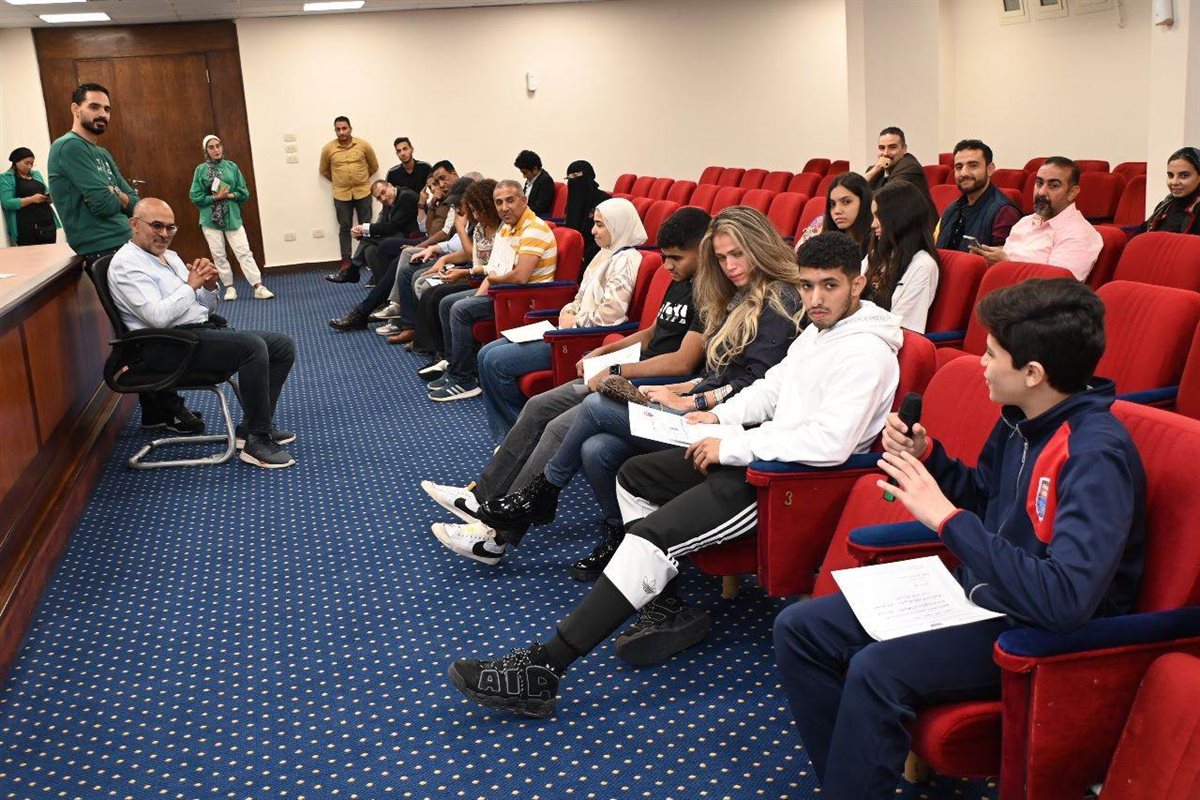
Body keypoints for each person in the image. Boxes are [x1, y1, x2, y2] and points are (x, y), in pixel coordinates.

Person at [448, 231, 902, 716]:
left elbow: (829, 444)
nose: (815, 299)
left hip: (788, 485)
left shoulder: (865, 353)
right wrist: (718, 416)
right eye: (807, 286)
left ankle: (546, 667)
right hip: (760, 458)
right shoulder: (818, 333)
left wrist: (734, 445)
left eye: (830, 286)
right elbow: (770, 389)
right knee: (634, 476)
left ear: (857, 285)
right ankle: (664, 606)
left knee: (651, 537)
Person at [773, 277, 1146, 800]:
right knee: (799, 628)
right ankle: (848, 784)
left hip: (1033, 630)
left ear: (1033, 374)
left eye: (992, 354)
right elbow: (986, 497)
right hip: (979, 593)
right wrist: (929, 458)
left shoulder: (1095, 455)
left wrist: (947, 521)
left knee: (876, 670)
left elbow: (1064, 600)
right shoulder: (1022, 418)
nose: (981, 364)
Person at [465, 206, 805, 578]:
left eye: (737, 254)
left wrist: (691, 400)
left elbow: (754, 385)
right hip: (701, 407)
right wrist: (676, 390)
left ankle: (544, 490)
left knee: (595, 406)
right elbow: (714, 373)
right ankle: (621, 537)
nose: (730, 266)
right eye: (722, 258)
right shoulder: (738, 294)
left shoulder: (780, 299)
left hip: (729, 425)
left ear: (759, 245)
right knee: (597, 449)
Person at [421, 208, 711, 568]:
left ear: (703, 248)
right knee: (538, 406)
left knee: (559, 428)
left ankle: (494, 537)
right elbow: (654, 333)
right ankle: (483, 496)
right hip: (630, 371)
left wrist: (616, 368)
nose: (667, 265)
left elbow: (683, 362)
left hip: (652, 384)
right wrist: (605, 352)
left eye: (676, 258)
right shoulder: (680, 280)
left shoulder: (707, 291)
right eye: (665, 257)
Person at [49, 83, 201, 436]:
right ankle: (168, 405)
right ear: (75, 109)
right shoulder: (68, 148)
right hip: (101, 249)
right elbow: (105, 204)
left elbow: (135, 201)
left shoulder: (99, 153)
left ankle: (157, 410)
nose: (102, 114)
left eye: (107, 109)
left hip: (123, 243)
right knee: (142, 329)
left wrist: (119, 195)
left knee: (152, 319)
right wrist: (117, 196)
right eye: (94, 107)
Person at [107, 199, 298, 469]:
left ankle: (251, 427)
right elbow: (158, 317)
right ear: (134, 225)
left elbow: (203, 308)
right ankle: (258, 441)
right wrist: (191, 286)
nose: (164, 234)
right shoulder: (127, 265)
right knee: (252, 347)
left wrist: (208, 287)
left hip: (194, 334)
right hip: (165, 346)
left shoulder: (169, 256)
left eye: (170, 227)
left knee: (281, 345)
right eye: (156, 226)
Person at [477, 197, 646, 440]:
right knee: (485, 353)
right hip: (568, 328)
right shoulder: (605, 254)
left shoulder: (626, 259)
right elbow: (580, 297)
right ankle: (511, 433)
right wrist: (568, 310)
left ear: (618, 226)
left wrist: (574, 322)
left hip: (582, 340)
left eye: (600, 225)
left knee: (495, 361)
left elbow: (612, 315)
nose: (593, 231)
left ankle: (516, 437)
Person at [427, 179, 558, 402]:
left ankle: (464, 380)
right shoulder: (506, 228)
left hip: (525, 298)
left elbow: (520, 276)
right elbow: (494, 268)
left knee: (460, 308)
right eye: (499, 202)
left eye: (510, 201)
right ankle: (456, 367)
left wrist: (488, 283)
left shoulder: (534, 229)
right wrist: (471, 276)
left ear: (524, 200)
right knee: (448, 302)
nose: (504, 207)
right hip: (503, 293)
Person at [410, 179, 503, 359]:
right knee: (424, 281)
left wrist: (460, 228)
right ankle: (437, 349)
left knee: (438, 296)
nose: (475, 215)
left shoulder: (502, 230)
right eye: (473, 210)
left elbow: (481, 263)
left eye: (477, 210)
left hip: (484, 279)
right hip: (475, 274)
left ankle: (446, 355)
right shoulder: (480, 227)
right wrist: (446, 260)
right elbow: (474, 257)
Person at [972, 157, 1103, 281]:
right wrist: (989, 257)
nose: (1041, 192)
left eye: (1053, 186)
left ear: (1072, 193)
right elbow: (1012, 255)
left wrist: (1005, 264)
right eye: (1039, 183)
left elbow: (1056, 287)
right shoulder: (1024, 222)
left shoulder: (1079, 233)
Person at [326, 179, 423, 329]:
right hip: (399, 237)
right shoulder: (388, 201)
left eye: (383, 193)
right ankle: (382, 298)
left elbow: (391, 227)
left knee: (380, 243)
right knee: (370, 250)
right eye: (378, 198)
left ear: (390, 186)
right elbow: (383, 226)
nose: (382, 198)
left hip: (412, 238)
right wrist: (363, 232)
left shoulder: (407, 197)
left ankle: (353, 272)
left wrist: (365, 230)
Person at [188, 135, 273, 301]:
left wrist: (229, 195)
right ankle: (229, 288)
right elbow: (195, 196)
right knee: (219, 255)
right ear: (206, 150)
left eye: (218, 145)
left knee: (244, 251)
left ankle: (258, 286)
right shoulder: (201, 170)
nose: (216, 150)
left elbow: (244, 192)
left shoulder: (232, 167)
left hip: (232, 217)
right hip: (210, 220)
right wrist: (215, 198)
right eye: (211, 147)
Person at [865, 181, 940, 333]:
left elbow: (902, 329)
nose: (873, 224)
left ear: (901, 219)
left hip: (880, 341)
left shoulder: (922, 265)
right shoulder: (878, 253)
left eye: (879, 216)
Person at [935, 138, 1021, 251]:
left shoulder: (1004, 212)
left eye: (973, 165)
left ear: (990, 169)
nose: (964, 173)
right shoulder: (951, 210)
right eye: (959, 167)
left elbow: (1003, 260)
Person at [319, 116, 379, 277]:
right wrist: (339, 181)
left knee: (366, 227)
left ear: (350, 128)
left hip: (363, 192)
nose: (341, 132)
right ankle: (346, 261)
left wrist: (362, 179)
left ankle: (366, 259)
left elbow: (374, 166)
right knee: (345, 228)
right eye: (338, 129)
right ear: (335, 130)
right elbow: (324, 170)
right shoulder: (328, 149)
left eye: (344, 128)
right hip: (341, 194)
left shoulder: (363, 145)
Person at [863, 126, 935, 223]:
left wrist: (860, 196)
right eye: (881, 148)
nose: (885, 153)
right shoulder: (876, 169)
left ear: (904, 148)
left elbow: (884, 197)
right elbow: (853, 191)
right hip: (889, 223)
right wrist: (874, 170)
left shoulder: (910, 168)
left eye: (892, 147)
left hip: (915, 228)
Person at [795, 172, 872, 252]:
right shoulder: (819, 225)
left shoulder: (876, 236)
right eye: (833, 204)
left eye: (846, 202)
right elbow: (798, 255)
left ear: (864, 202)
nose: (837, 211)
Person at [1, 147, 60, 246]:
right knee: (31, 254)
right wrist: (32, 199)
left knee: (50, 252)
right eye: (26, 163)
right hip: (26, 227)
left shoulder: (36, 174)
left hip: (47, 224)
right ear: (16, 161)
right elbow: (7, 203)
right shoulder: (6, 178)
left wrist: (50, 197)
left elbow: (46, 191)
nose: (29, 166)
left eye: (32, 164)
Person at [1136, 146, 1200, 235]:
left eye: (1184, 175)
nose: (1174, 182)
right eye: (1170, 175)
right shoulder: (1165, 205)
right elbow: (1141, 234)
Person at [563, 160, 611, 264]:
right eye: (569, 178)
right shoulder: (573, 201)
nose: (573, 181)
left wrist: (584, 256)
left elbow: (607, 236)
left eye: (576, 176)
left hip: (595, 255)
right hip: (573, 253)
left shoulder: (604, 201)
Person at [515, 149, 555, 218]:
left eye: (525, 173)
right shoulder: (530, 179)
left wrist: (520, 211)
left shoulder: (546, 181)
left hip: (538, 217)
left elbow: (540, 207)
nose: (524, 176)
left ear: (535, 168)